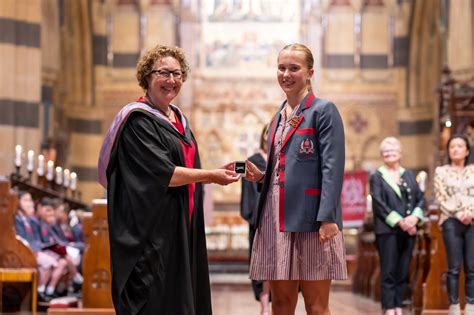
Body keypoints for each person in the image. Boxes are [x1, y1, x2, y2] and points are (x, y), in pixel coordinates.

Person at [98, 44, 239, 315]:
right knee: (157, 302)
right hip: (151, 236)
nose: (171, 80)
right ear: (147, 77)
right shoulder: (138, 121)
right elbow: (164, 174)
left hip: (180, 229)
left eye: (177, 74)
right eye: (163, 73)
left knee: (181, 301)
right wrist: (211, 175)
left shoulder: (177, 120)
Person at [244, 43, 347, 315]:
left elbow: (332, 169)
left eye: (294, 68)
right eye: (281, 68)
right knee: (281, 304)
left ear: (310, 72)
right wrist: (264, 176)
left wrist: (328, 217)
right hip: (276, 218)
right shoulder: (279, 115)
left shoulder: (324, 111)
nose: (286, 74)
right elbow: (290, 167)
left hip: (312, 219)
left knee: (316, 306)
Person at [369, 137, 425, 315]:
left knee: (403, 269)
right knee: (389, 270)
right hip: (388, 230)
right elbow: (378, 203)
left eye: (393, 151)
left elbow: (420, 198)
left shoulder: (408, 174)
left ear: (400, 154)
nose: (389, 153)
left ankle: (399, 305)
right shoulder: (377, 176)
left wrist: (414, 218)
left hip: (409, 229)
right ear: (381, 155)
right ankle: (389, 307)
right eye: (385, 151)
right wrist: (401, 221)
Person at [434, 134, 474, 315]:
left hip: (472, 220)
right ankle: (454, 307)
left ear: (467, 151)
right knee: (454, 267)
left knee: (472, 268)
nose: (455, 149)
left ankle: (471, 306)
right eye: (452, 147)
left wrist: (470, 213)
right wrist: (458, 213)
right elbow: (441, 196)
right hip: (451, 221)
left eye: (459, 146)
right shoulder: (441, 171)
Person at [240, 124, 270, 315]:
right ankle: (264, 306)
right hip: (259, 224)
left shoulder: (281, 159)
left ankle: (276, 305)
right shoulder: (251, 161)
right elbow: (247, 198)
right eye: (268, 132)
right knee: (261, 267)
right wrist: (255, 218)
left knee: (278, 267)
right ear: (263, 136)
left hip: (279, 224)